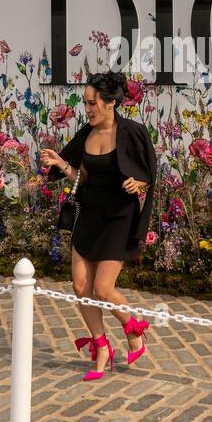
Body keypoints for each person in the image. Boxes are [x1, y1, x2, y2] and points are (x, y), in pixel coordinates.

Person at [39, 71, 157, 381]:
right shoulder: (85, 134)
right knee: (80, 287)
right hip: (88, 214)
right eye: (86, 103)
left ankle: (134, 330)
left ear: (111, 103)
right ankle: (102, 346)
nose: (88, 109)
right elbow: (84, 177)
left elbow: (148, 175)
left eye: (93, 103)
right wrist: (60, 163)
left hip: (119, 216)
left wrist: (139, 184)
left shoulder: (133, 132)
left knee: (103, 289)